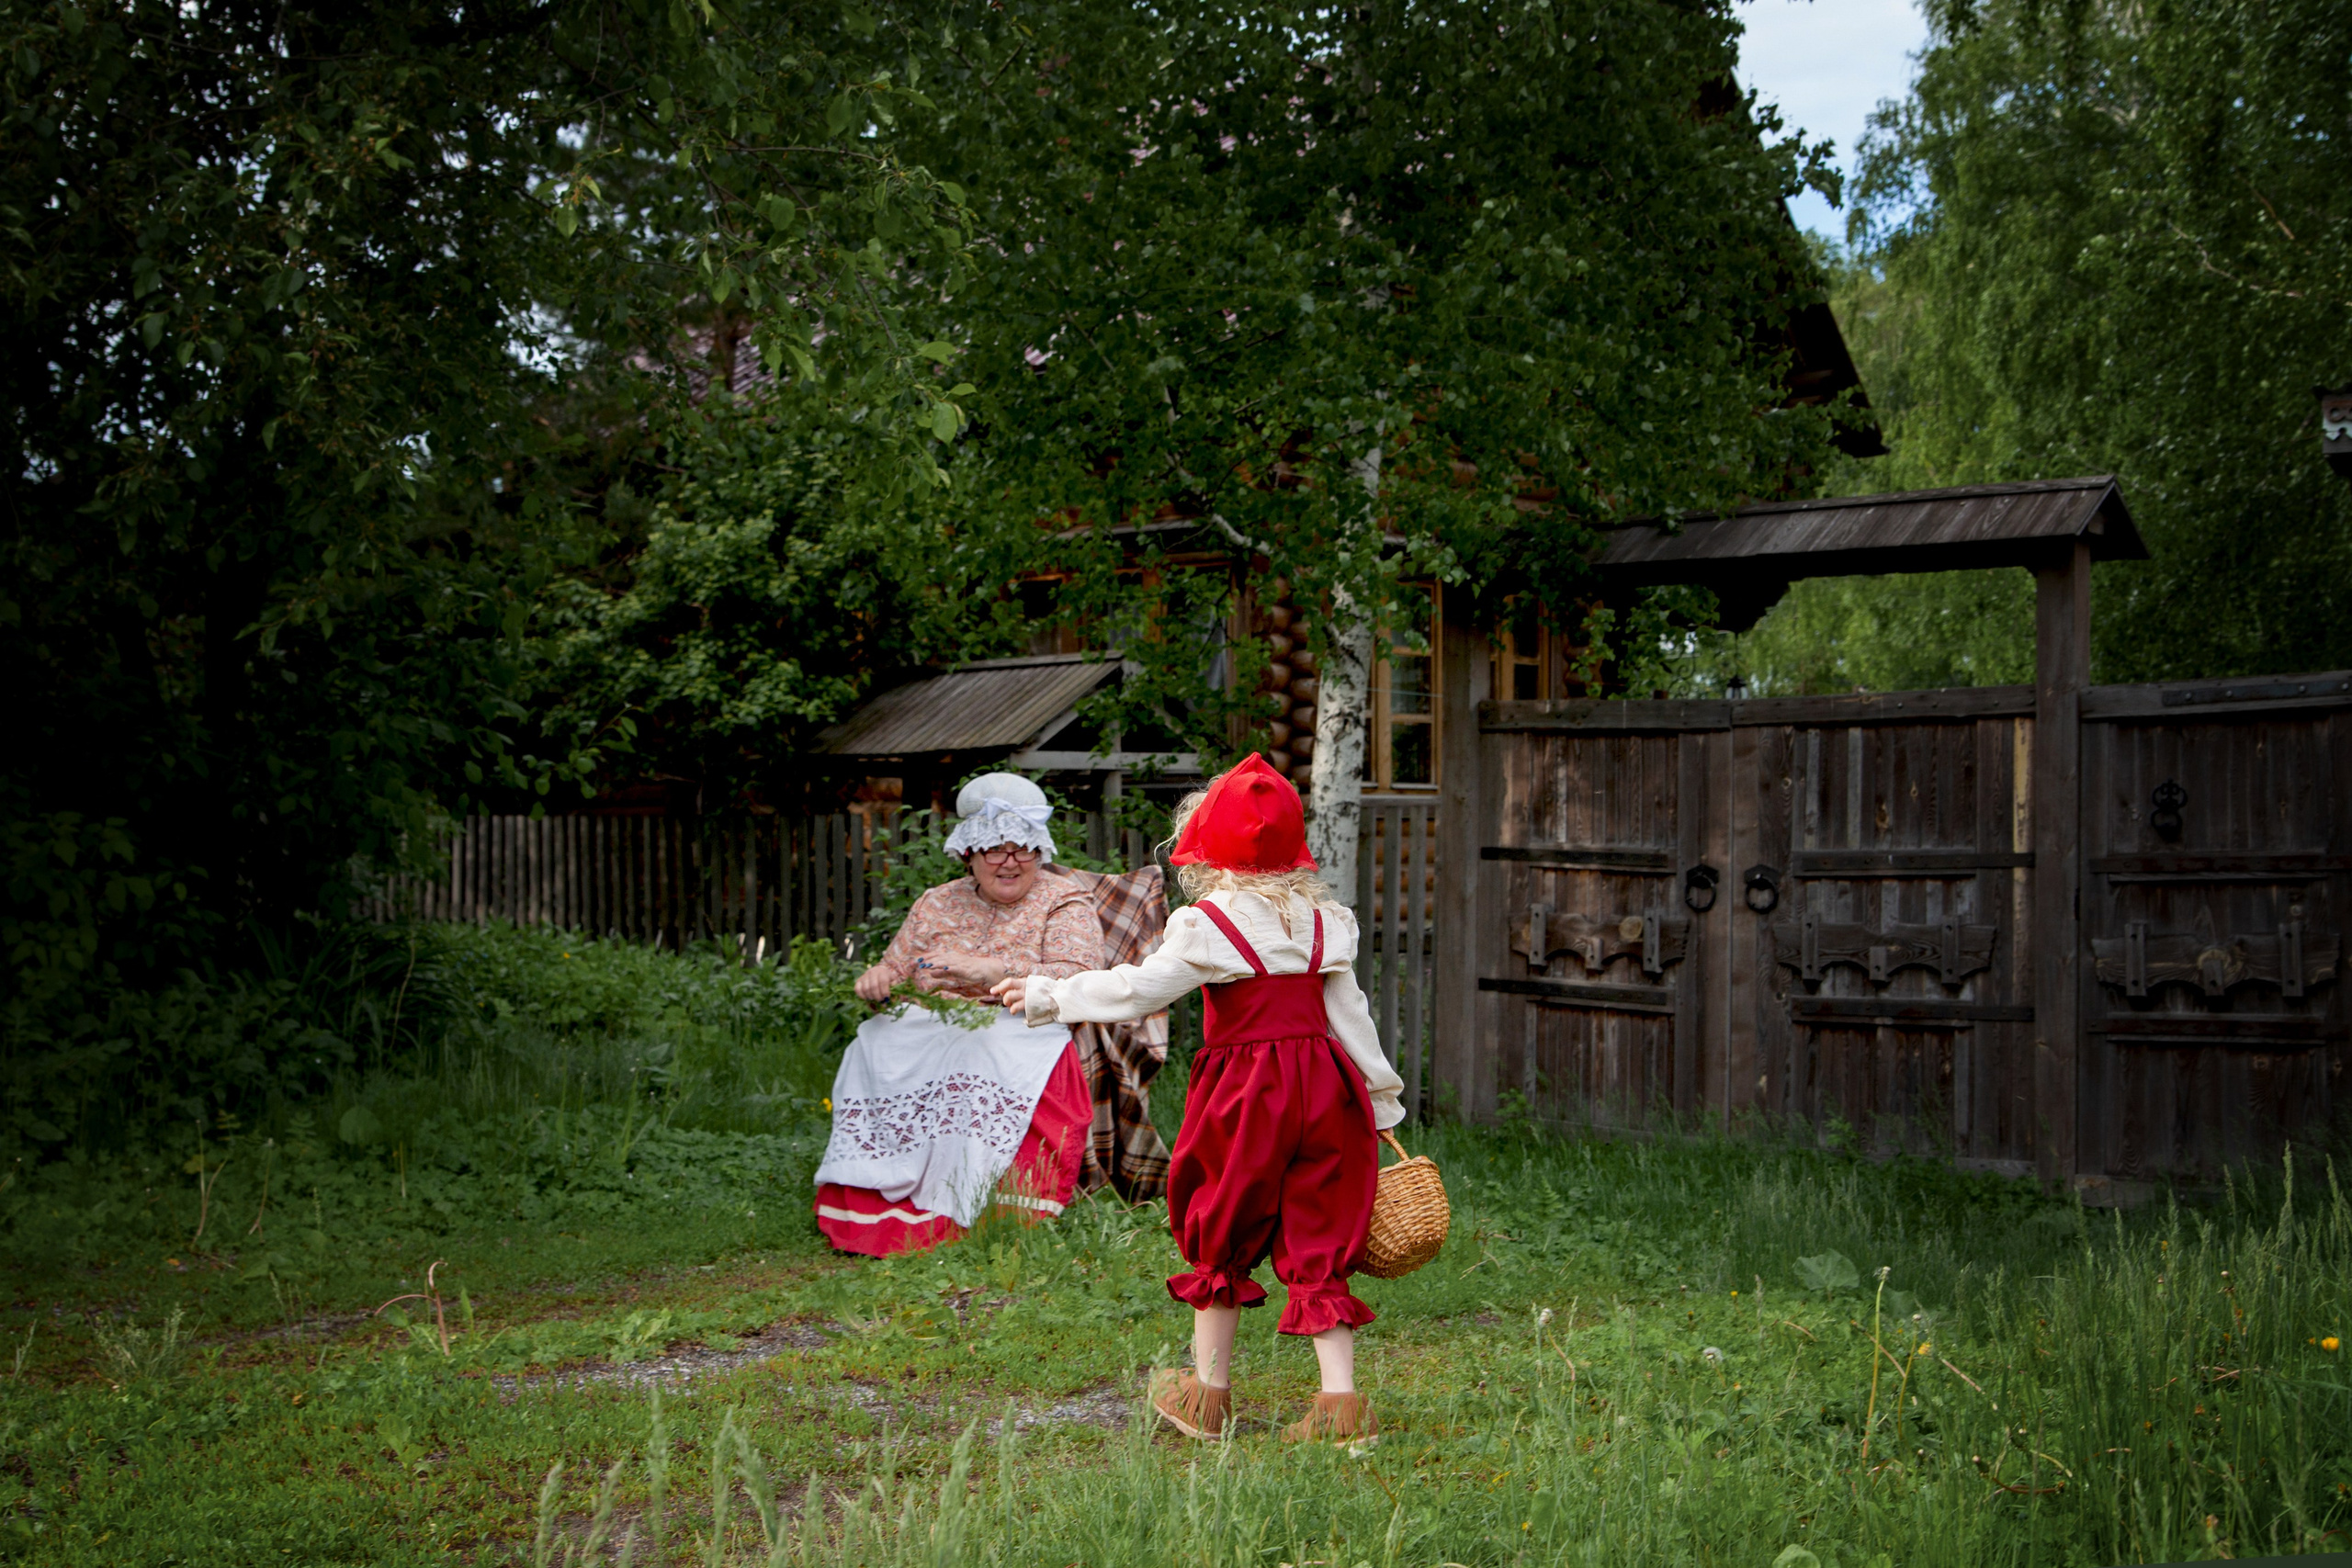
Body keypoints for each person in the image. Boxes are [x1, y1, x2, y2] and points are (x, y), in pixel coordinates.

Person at [993, 754, 1404, 1444]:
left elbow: (1136, 990)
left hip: (1247, 1097)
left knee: (1222, 1229)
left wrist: (1049, 994)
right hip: (1326, 1089)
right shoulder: (1325, 920)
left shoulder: (1209, 923)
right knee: (1317, 1232)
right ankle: (1341, 1406)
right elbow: (1351, 1015)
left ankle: (1208, 1396)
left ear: (1206, 844)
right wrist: (1382, 1101)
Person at [811, 774, 1104, 1256]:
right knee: (874, 1039)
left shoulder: (1064, 900)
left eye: (1023, 849)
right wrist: (878, 981)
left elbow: (1081, 976)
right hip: (931, 1024)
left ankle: (980, 1203)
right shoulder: (936, 902)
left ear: (1040, 851)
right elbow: (894, 968)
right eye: (994, 849)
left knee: (981, 1045)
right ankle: (879, 1195)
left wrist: (997, 970)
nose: (1009, 862)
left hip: (1016, 1024)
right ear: (969, 854)